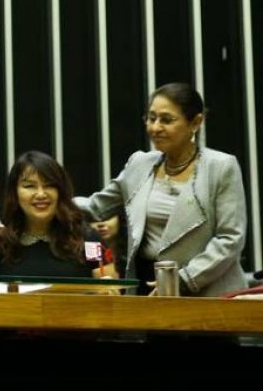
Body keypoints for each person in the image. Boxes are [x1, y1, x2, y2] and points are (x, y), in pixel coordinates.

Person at [80, 82, 247, 296]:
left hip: (207, 292)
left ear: (195, 122)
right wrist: (52, 200)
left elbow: (230, 239)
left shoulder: (221, 167)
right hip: (146, 289)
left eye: (166, 120)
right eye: (151, 118)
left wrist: (182, 280)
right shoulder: (139, 164)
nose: (155, 128)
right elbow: (95, 207)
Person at [0, 151, 105, 278]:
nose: (41, 194)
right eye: (29, 186)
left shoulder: (90, 239)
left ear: (60, 191)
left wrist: (109, 289)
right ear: (14, 193)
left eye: (49, 185)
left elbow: (108, 285)